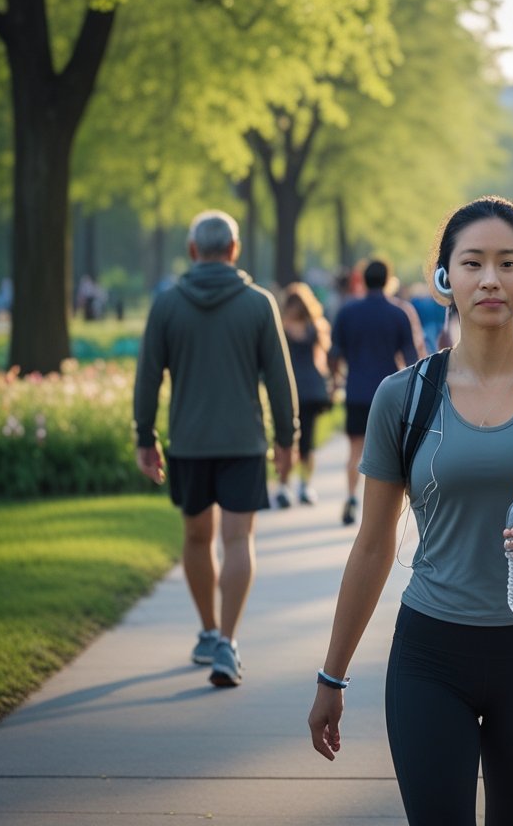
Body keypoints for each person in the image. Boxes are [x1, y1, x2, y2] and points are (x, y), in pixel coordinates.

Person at [308, 195, 513, 826]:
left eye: (508, 263)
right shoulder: (404, 397)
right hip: (430, 656)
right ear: (445, 277)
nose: (490, 279)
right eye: (472, 262)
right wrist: (331, 677)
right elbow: (372, 545)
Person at [133, 210, 297, 687]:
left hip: (187, 442)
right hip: (244, 443)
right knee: (237, 540)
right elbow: (279, 380)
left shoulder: (166, 306)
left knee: (196, 538)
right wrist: (288, 438)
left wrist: (145, 437)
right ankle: (227, 642)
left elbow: (148, 376)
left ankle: (206, 630)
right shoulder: (258, 303)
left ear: (192, 251)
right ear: (234, 250)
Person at [328, 259, 418, 526]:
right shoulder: (400, 312)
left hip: (356, 389)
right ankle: (386, 509)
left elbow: (333, 353)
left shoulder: (347, 312)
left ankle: (351, 496)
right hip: (391, 394)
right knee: (392, 452)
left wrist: (336, 378)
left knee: (355, 449)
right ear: (389, 280)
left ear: (363, 281)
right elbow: (412, 356)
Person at [275, 282, 334, 508]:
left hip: (289, 390)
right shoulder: (314, 328)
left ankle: (284, 486)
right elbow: (323, 358)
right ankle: (304, 485)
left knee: (287, 440)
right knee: (307, 441)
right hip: (311, 389)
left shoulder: (281, 330)